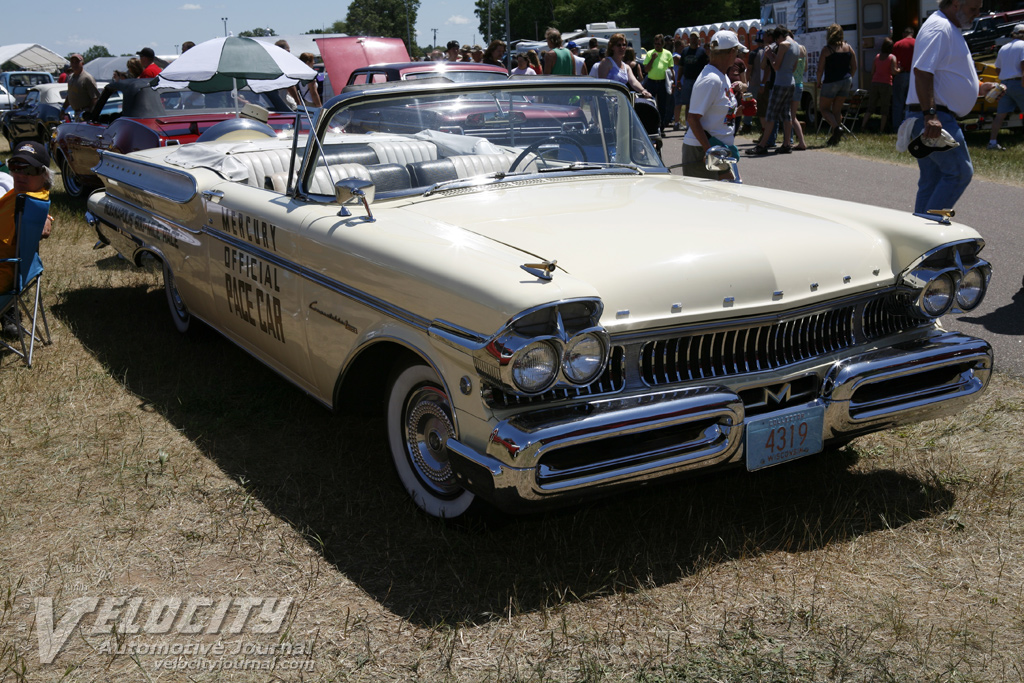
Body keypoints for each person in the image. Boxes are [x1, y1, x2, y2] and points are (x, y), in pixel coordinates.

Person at [907, 0, 1001, 214]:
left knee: (932, 180)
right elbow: (922, 71)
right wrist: (930, 114)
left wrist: (979, 88)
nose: (978, 15)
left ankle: (919, 233)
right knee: (959, 173)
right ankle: (928, 230)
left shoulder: (950, 28)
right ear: (956, 4)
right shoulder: (939, 28)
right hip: (935, 116)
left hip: (934, 114)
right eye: (973, 9)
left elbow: (947, 76)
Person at [682, 30, 744, 180]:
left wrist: (740, 111)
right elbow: (692, 118)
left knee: (731, 193)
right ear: (731, 52)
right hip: (704, 149)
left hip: (719, 149)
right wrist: (710, 151)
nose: (737, 56)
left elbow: (719, 112)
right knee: (720, 197)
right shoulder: (711, 80)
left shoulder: (722, 76)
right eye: (737, 52)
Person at [1, 142, 53, 304]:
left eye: (29, 170)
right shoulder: (23, 196)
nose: (20, 175)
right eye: (16, 167)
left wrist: (45, 217)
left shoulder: (23, 201)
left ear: (44, 174)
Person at [747, 26, 798, 155]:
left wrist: (769, 55)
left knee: (770, 115)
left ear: (778, 37)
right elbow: (793, 68)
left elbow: (776, 66)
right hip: (791, 82)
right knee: (787, 115)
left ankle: (762, 145)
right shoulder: (796, 45)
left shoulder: (783, 45)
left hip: (780, 83)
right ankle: (787, 144)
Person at [817, 24, 857, 146]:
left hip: (831, 82)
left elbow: (820, 69)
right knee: (837, 110)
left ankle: (836, 128)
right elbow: (854, 67)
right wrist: (849, 77)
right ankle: (836, 138)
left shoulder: (827, 50)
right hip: (846, 81)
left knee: (823, 109)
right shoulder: (849, 48)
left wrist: (818, 81)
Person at [88, 58, 165, 120]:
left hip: (135, 116)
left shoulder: (133, 83)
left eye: (129, 68)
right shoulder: (145, 81)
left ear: (132, 68)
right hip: (155, 114)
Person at [986, 24, 1024, 150]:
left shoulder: (1004, 48)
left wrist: (1005, 77)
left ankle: (992, 142)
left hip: (1004, 84)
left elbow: (997, 68)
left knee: (1000, 115)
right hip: (1019, 83)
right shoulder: (1023, 46)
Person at [596, 33, 652, 98]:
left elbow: (634, 82)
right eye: (619, 45)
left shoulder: (626, 67)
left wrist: (643, 90)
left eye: (624, 45)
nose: (622, 47)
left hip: (622, 100)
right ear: (612, 47)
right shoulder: (606, 62)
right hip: (608, 100)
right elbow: (602, 84)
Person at [862, 37, 899, 132]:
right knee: (884, 109)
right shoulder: (892, 57)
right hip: (886, 84)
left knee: (870, 107)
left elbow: (872, 72)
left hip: (875, 83)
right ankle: (881, 130)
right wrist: (900, 69)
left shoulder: (877, 56)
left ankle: (863, 126)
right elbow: (894, 71)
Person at [642, 34, 675, 133]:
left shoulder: (668, 54)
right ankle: (650, 127)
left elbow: (671, 69)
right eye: (655, 44)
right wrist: (652, 59)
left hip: (663, 83)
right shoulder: (650, 53)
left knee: (662, 106)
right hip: (651, 82)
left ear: (663, 44)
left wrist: (673, 82)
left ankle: (661, 128)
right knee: (650, 104)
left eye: (659, 44)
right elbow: (646, 69)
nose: (657, 46)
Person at [59, 54, 100, 122]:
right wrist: (63, 109)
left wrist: (90, 114)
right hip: (76, 112)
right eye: (72, 62)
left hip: (85, 113)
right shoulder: (71, 77)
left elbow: (95, 98)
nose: (74, 64)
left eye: (77, 62)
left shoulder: (87, 78)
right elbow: (69, 95)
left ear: (82, 63)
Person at [891, 28, 916, 129]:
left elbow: (893, 60)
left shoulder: (897, 44)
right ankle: (909, 127)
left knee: (898, 101)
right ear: (912, 34)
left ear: (903, 34)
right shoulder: (917, 43)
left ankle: (897, 126)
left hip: (901, 74)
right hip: (914, 75)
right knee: (910, 103)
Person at [788, 31, 808, 149]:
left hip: (791, 84)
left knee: (790, 116)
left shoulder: (792, 49)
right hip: (800, 83)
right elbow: (805, 68)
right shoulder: (803, 48)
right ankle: (800, 140)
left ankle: (796, 141)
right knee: (793, 115)